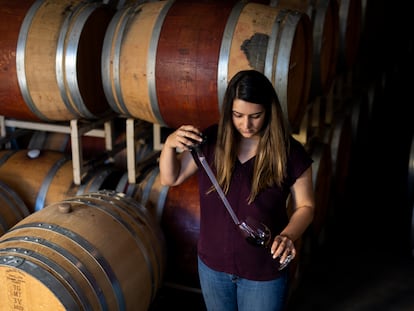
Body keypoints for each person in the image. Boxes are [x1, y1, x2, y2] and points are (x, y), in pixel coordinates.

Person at [159, 69, 315, 311]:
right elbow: (172, 177)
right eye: (238, 115)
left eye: (256, 116)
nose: (246, 124)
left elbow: (306, 206)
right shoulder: (211, 140)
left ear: (269, 112)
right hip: (213, 267)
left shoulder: (290, 152)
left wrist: (288, 235)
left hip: (263, 272)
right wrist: (169, 145)